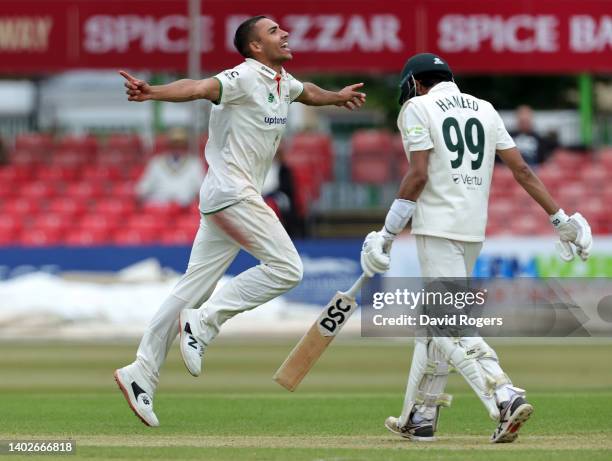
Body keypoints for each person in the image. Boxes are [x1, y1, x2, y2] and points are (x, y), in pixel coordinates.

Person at [114, 15, 366, 427]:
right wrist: (152, 92)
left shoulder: (283, 81)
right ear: (254, 47)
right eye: (272, 32)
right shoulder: (243, 77)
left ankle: (141, 371)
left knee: (190, 288)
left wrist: (336, 97)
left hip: (225, 196)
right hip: (233, 191)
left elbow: (310, 94)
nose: (284, 34)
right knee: (287, 269)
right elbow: (198, 88)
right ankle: (206, 320)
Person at [359, 53, 592, 443]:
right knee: (435, 322)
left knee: (448, 323)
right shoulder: (484, 109)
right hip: (472, 229)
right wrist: (560, 220)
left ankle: (503, 395)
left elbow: (417, 175)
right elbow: (522, 170)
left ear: (415, 83)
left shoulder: (417, 106)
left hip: (436, 227)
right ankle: (420, 415)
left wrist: (385, 233)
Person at [135, 127, 204, 207]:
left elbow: (200, 188)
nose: (177, 148)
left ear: (185, 146)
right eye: (174, 144)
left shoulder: (194, 163)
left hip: (185, 207)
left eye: (181, 145)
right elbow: (143, 187)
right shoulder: (156, 162)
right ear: (169, 145)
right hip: (160, 208)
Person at [262, 142, 301, 237]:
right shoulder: (262, 168)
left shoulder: (284, 170)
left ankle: (276, 232)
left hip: (278, 195)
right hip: (261, 196)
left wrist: (272, 193)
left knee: (272, 204)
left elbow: (287, 188)